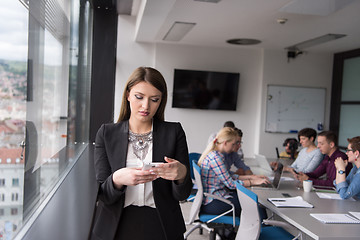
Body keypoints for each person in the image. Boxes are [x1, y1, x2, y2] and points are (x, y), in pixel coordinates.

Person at [90, 67, 193, 240]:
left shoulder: (174, 132)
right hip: (115, 225)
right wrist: (117, 179)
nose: (146, 106)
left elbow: (182, 195)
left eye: (154, 99)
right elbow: (103, 195)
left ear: (161, 101)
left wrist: (181, 174)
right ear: (128, 95)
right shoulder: (106, 133)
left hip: (162, 225)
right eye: (139, 97)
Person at [198, 127, 269, 216]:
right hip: (214, 202)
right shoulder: (216, 158)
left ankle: (247, 228)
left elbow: (228, 176)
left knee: (250, 200)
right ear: (225, 143)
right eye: (233, 144)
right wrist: (252, 182)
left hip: (216, 197)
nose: (235, 147)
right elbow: (231, 184)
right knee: (256, 207)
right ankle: (263, 229)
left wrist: (251, 177)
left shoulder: (216, 155)